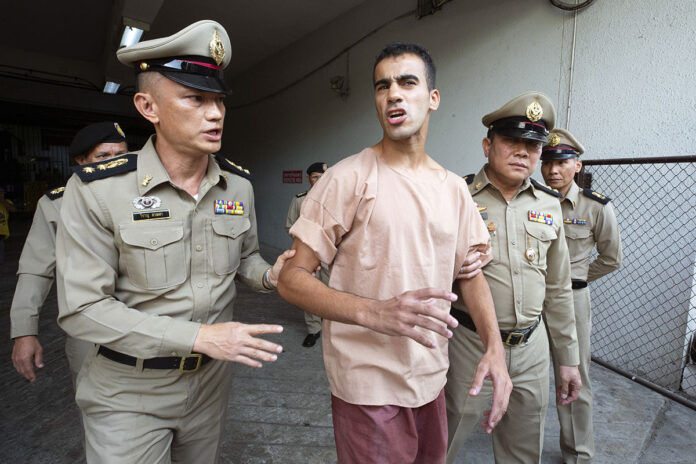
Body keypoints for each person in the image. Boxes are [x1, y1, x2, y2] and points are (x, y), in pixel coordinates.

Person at [55, 20, 293, 462]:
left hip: (209, 388)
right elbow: (83, 310)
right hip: (128, 392)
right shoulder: (97, 190)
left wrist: (271, 275)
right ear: (149, 107)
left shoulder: (237, 186)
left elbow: (246, 259)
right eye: (195, 98)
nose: (216, 113)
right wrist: (199, 336)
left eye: (219, 100)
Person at [278, 42, 512, 463]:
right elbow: (292, 279)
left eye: (407, 82)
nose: (393, 94)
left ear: (433, 98)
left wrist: (495, 348)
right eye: (382, 86)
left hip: (430, 378)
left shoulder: (454, 189)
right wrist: (374, 312)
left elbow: (470, 274)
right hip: (368, 385)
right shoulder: (347, 178)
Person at [446, 92, 582, 464]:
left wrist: (568, 358)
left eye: (533, 145)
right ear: (488, 145)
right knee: (444, 438)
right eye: (512, 141)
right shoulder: (455, 197)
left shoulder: (548, 204)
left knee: (523, 449)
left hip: (531, 349)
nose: (524, 152)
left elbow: (558, 288)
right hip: (468, 343)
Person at [10, 121, 128, 384]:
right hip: (91, 335)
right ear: (81, 161)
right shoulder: (57, 205)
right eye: (103, 156)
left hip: (152, 327)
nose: (113, 164)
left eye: (121, 156)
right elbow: (35, 270)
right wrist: (24, 331)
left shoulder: (148, 198)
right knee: (98, 415)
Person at [541, 128, 622, 464]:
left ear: (577, 165)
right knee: (519, 371)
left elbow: (611, 258)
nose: (552, 170)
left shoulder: (596, 208)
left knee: (573, 377)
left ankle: (577, 454)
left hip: (571, 302)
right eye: (547, 161)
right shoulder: (532, 200)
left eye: (561, 161)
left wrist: (571, 281)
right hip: (527, 299)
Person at [285, 161, 329, 347]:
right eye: (315, 177)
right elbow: (290, 224)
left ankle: (329, 325)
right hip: (307, 251)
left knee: (331, 289)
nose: (319, 181)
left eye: (323, 178)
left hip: (330, 253)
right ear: (308, 179)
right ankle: (314, 329)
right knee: (308, 289)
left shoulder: (336, 199)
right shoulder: (299, 200)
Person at [0, 186, 16, 264]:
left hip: (2, 232)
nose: (1, 195)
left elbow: (13, 209)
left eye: (2, 193)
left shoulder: (6, 202)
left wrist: (2, 201)